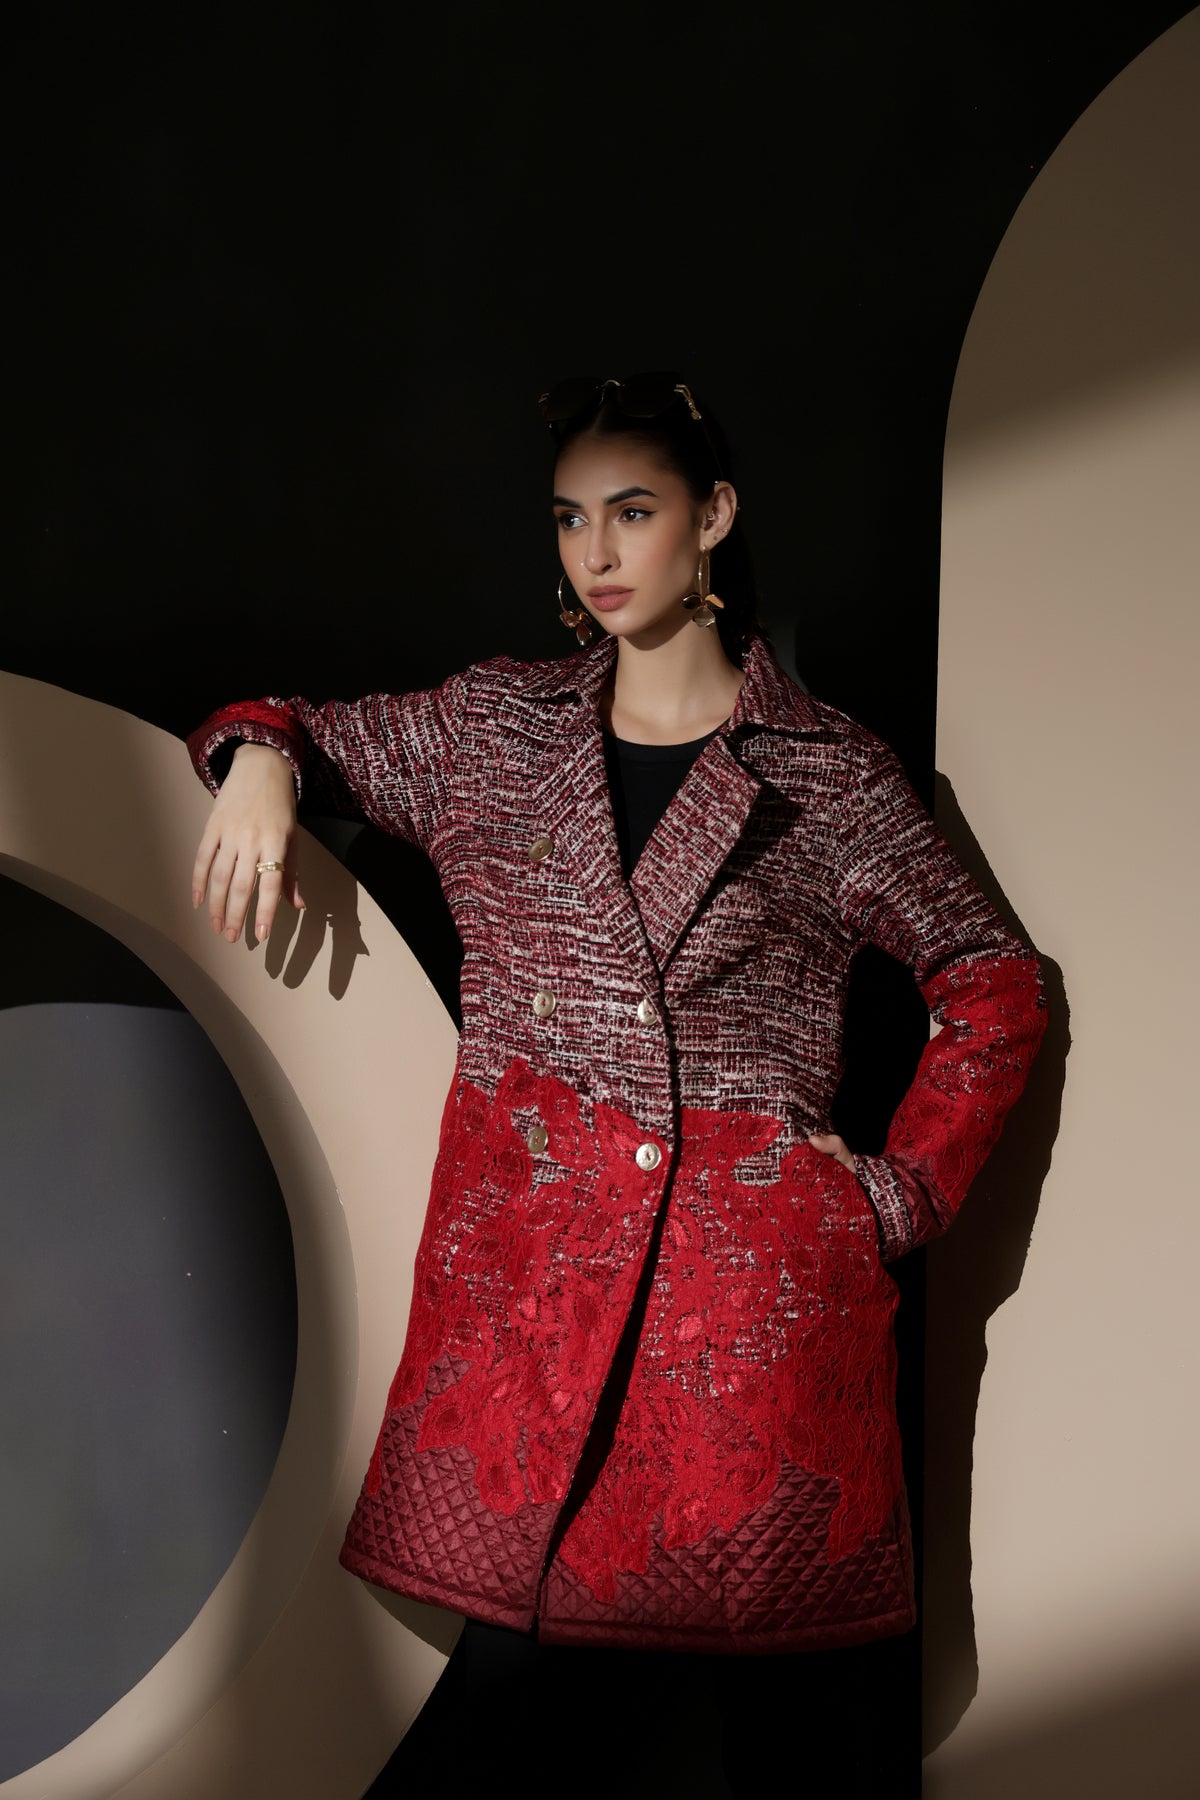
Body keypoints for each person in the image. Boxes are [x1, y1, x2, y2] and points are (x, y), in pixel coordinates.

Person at [188, 373, 1048, 1796]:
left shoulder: (826, 773)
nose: (595, 551)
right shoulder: (497, 731)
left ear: (712, 518)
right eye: (569, 518)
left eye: (632, 512)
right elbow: (284, 721)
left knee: (804, 1753)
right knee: (511, 1730)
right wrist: (266, 761)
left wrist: (897, 1197)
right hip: (540, 1324)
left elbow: (991, 979)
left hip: (755, 1342)